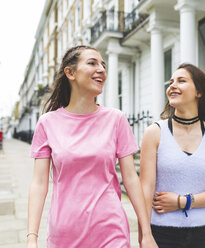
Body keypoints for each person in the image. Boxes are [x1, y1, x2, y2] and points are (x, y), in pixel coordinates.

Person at [27, 45, 157, 248]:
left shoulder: (116, 119)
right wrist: (31, 238)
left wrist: (146, 234)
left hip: (111, 231)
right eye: (92, 63)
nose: (102, 70)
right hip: (65, 232)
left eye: (103, 65)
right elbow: (39, 183)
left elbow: (131, 178)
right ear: (70, 72)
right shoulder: (47, 123)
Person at [140, 63, 205, 248]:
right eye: (171, 81)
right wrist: (145, 237)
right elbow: (145, 190)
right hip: (160, 233)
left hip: (201, 235)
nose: (172, 85)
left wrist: (183, 201)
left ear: (199, 92)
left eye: (181, 81)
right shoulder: (154, 132)